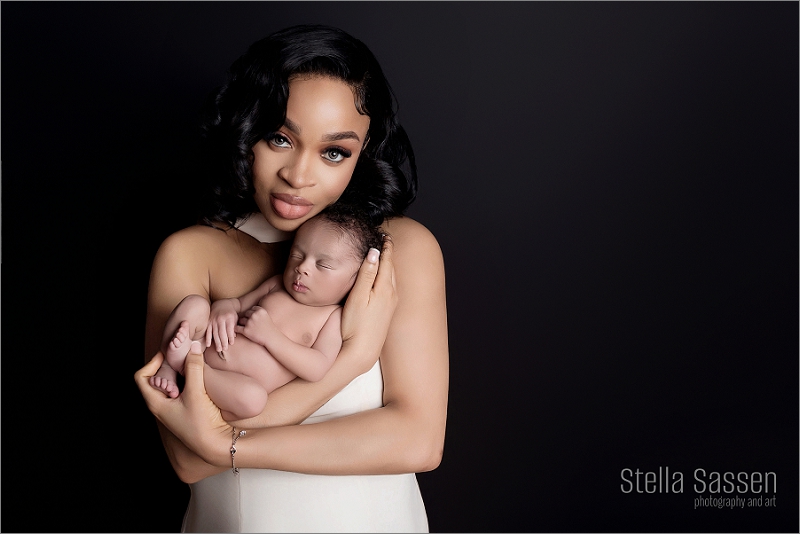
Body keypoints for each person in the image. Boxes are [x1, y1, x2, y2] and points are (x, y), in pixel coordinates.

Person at [135, 24, 448, 533]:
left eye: (334, 152)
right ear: (246, 129)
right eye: (280, 137)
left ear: (363, 155)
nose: (299, 175)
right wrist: (351, 360)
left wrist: (225, 443)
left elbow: (418, 440)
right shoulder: (193, 253)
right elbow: (189, 460)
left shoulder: (397, 250)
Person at [150, 205, 384, 421]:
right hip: (203, 344)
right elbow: (234, 304)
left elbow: (317, 368)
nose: (302, 268)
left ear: (357, 278)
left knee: (254, 400)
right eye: (297, 255)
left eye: (322, 265)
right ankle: (169, 368)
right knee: (195, 305)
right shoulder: (276, 285)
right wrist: (223, 310)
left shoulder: (331, 317)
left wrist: (271, 336)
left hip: (232, 383)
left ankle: (184, 366)